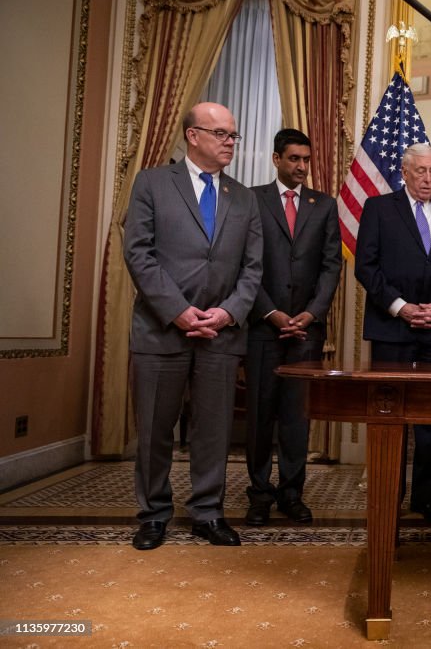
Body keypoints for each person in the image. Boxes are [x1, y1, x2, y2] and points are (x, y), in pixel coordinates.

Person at [123, 102, 263, 550]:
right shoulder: (151, 183)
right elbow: (138, 254)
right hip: (161, 329)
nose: (230, 143)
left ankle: (207, 512)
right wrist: (178, 311)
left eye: (233, 135)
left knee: (213, 429)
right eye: (221, 134)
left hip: (221, 333)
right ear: (193, 136)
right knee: (155, 430)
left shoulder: (244, 197)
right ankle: (154, 515)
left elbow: (253, 268)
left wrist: (227, 312)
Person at [354, 143, 431, 522]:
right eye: (419, 171)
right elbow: (366, 267)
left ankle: (424, 498)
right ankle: (388, 497)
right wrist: (401, 307)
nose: (426, 178)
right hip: (392, 331)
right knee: (390, 418)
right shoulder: (379, 208)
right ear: (403, 172)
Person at [243, 128, 342, 527]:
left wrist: (312, 313)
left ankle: (291, 494)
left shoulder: (324, 205)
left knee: (296, 417)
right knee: (260, 416)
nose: (302, 166)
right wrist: (271, 313)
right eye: (294, 159)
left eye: (306, 159)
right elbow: (243, 263)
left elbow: (331, 265)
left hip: (306, 331)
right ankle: (259, 495)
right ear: (276, 160)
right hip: (263, 328)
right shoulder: (252, 200)